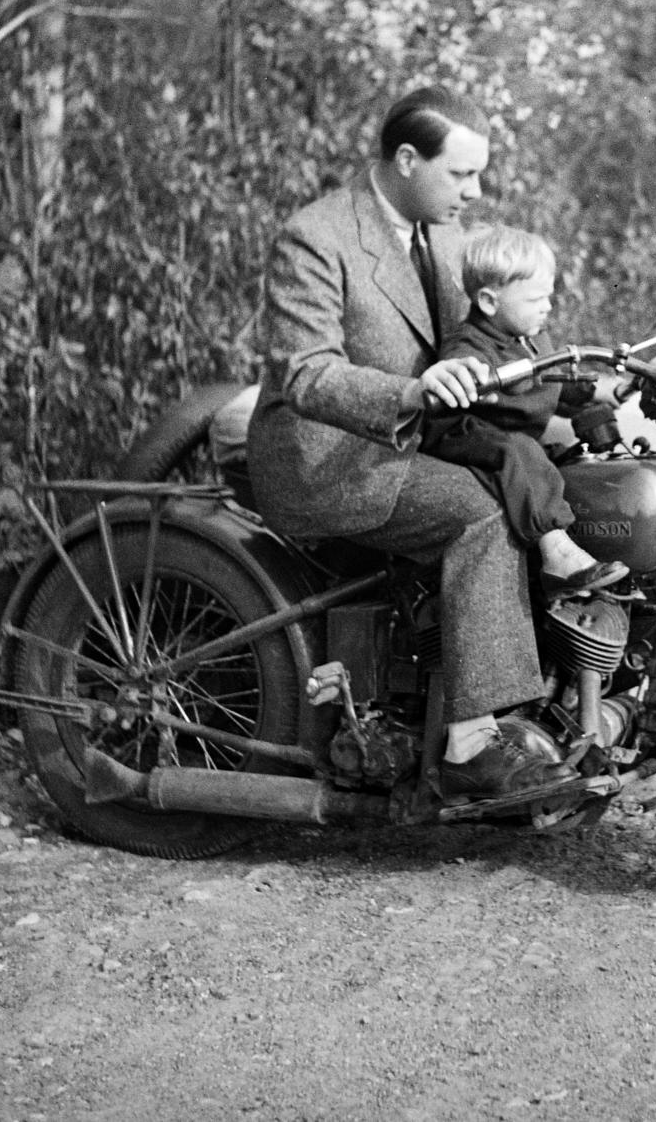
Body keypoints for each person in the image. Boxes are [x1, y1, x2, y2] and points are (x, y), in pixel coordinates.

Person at [245, 84, 575, 802]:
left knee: (555, 470)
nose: (476, 190)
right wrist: (410, 393)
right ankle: (470, 744)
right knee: (480, 510)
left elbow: (503, 334)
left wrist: (592, 381)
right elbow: (303, 372)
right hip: (328, 460)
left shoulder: (449, 236)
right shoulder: (318, 236)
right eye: (461, 174)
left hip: (414, 443)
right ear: (404, 159)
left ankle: (535, 697)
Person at [422, 226, 630, 594]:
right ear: (489, 301)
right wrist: (475, 377)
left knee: (575, 458)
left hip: (511, 438)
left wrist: (607, 390)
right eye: (536, 300)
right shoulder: (469, 343)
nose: (547, 307)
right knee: (521, 451)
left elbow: (557, 379)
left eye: (548, 297)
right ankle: (556, 551)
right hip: (466, 433)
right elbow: (464, 372)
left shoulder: (530, 339)